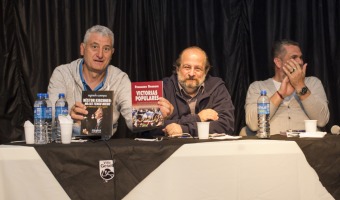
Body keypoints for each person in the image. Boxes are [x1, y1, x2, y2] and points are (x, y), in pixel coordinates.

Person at [48, 25, 173, 137]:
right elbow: (50, 115)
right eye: (94, 47)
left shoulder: (120, 78)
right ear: (82, 49)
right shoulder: (62, 73)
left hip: (104, 146)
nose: (100, 54)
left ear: (112, 53)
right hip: (66, 145)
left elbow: (132, 119)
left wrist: (157, 115)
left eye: (106, 49)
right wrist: (69, 115)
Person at [245, 39, 330, 135]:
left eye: (300, 57)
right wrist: (280, 94)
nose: (300, 62)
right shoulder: (258, 87)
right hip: (272, 146)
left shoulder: (313, 83)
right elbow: (253, 124)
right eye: (294, 57)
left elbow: (322, 120)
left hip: (308, 145)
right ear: (278, 62)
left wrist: (300, 85)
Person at [159, 46, 235, 137]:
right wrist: (197, 118)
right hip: (171, 149)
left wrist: (184, 129)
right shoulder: (164, 88)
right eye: (187, 67)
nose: (191, 74)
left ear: (206, 71)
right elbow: (150, 127)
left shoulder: (217, 87)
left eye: (197, 69)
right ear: (177, 69)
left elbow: (227, 125)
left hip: (208, 149)